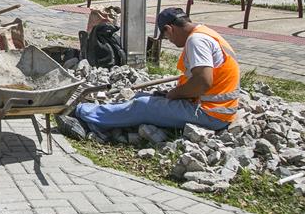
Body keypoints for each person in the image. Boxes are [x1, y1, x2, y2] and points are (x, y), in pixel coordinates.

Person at [56, 7, 241, 140]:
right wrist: (172, 96)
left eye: (166, 36)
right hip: (218, 109)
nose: (168, 40)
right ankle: (107, 115)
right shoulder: (206, 33)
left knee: (143, 105)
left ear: (169, 29)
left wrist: (173, 94)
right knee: (145, 97)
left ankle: (81, 113)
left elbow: (203, 82)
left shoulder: (196, 42)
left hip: (210, 114)